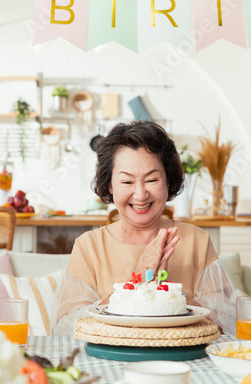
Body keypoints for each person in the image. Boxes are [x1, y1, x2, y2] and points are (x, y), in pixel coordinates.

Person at [52, 121, 237, 335]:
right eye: (127, 182)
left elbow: (226, 328)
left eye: (151, 179)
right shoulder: (88, 246)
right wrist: (137, 280)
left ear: (168, 181)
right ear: (110, 186)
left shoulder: (197, 240)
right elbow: (66, 330)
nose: (140, 194)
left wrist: (166, 292)